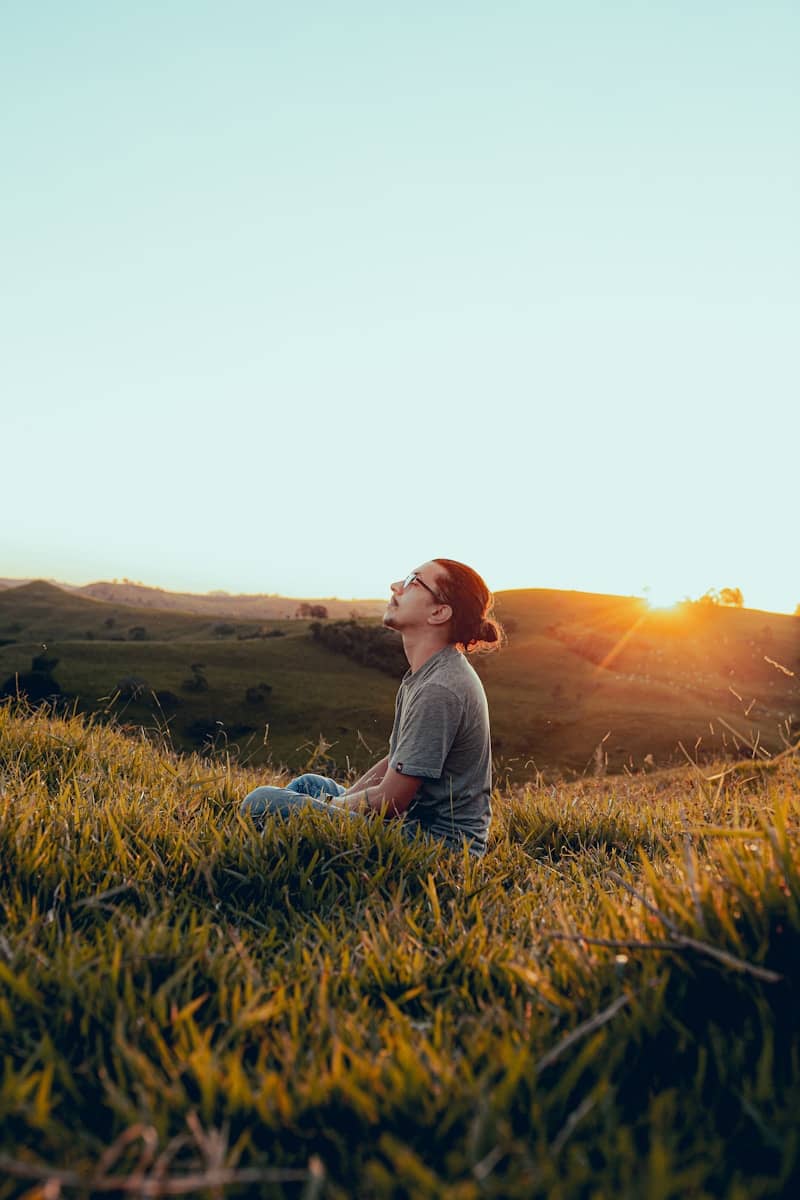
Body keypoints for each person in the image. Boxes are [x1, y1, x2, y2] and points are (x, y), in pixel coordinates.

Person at [239, 559, 503, 857]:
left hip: (439, 848)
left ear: (439, 612)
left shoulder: (439, 688)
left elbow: (391, 801)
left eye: (413, 580)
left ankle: (281, 849)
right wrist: (339, 803)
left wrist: (332, 808)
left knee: (261, 801)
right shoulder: (431, 673)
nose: (395, 586)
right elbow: (397, 761)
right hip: (412, 826)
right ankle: (284, 847)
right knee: (309, 785)